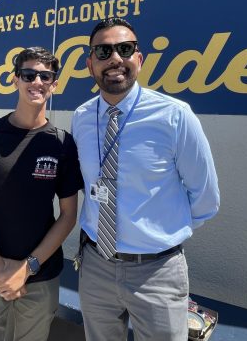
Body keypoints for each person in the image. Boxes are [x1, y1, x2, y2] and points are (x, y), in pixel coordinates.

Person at [72, 18, 220, 341]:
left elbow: (206, 197)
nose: (114, 59)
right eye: (103, 50)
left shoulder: (175, 116)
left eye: (125, 49)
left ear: (138, 59)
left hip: (157, 272)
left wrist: (159, 235)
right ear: (89, 64)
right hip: (96, 265)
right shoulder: (81, 118)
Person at [0, 47, 83, 341]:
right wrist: (1, 270)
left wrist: (26, 268)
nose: (37, 81)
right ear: (14, 80)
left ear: (54, 84)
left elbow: (69, 215)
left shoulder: (62, 145)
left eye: (45, 76)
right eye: (28, 74)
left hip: (39, 275)